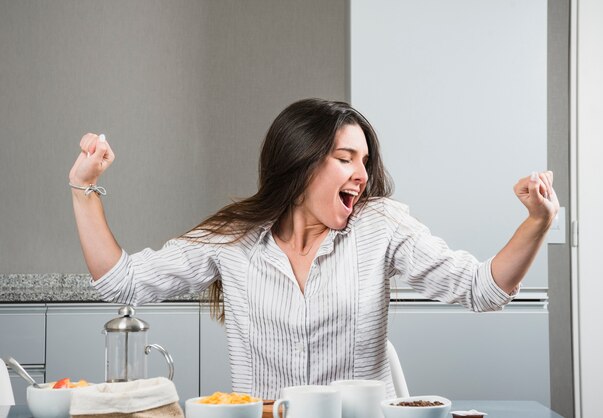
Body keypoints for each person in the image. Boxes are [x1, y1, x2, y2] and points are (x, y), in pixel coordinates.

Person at [69, 98, 559, 399]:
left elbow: (482, 289)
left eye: (364, 160)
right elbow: (122, 280)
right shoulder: (232, 236)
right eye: (345, 157)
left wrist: (539, 221)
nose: (362, 174)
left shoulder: (379, 226)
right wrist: (83, 188)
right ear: (301, 164)